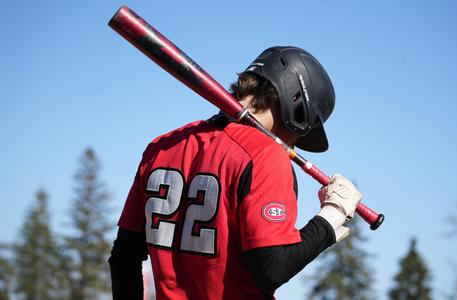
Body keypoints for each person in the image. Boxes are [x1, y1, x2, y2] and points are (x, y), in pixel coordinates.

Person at [109, 46, 362, 300]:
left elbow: (123, 258)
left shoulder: (161, 147)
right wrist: (330, 218)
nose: (294, 144)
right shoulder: (266, 155)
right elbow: (272, 269)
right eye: (302, 132)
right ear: (296, 104)